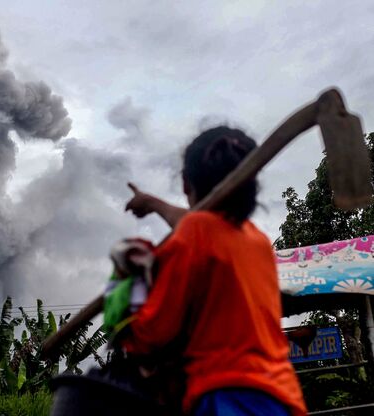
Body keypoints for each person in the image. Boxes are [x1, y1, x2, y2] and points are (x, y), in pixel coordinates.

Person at [122, 126, 307, 416]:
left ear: (185, 184)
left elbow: (152, 334)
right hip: (281, 396)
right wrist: (153, 203)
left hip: (228, 396)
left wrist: (125, 282)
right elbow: (200, 225)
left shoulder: (196, 233)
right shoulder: (256, 239)